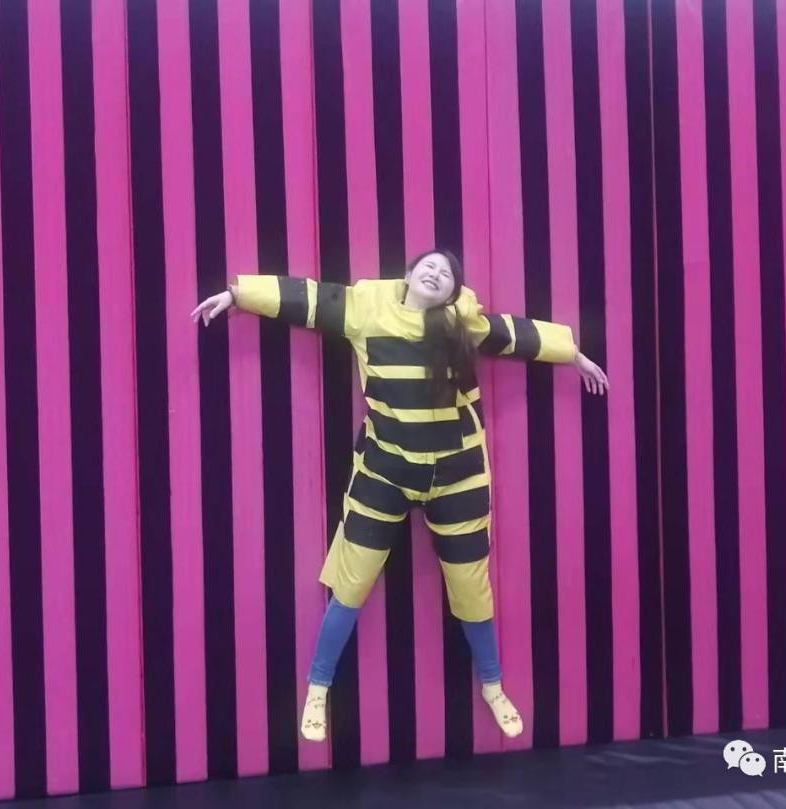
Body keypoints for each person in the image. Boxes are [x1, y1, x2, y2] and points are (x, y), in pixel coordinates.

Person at [191, 250, 609, 743]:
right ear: (408, 274)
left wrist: (572, 353)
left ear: (452, 291)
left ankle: (493, 685)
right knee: (351, 581)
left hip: (458, 474)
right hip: (384, 471)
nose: (436, 273)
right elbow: (308, 299)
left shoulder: (461, 322)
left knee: (471, 585)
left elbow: (512, 334)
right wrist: (239, 294)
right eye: (428, 266)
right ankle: (318, 687)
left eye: (447, 273)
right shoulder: (366, 309)